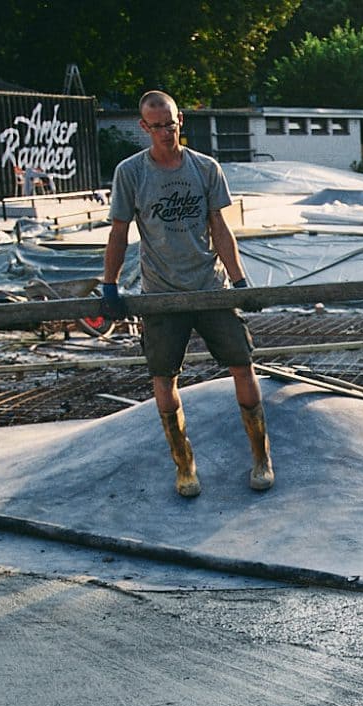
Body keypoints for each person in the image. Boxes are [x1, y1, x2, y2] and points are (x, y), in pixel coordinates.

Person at [99, 90, 272, 499]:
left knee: (242, 365)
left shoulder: (205, 168)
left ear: (181, 122)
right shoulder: (131, 173)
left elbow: (219, 228)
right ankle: (185, 466)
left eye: (170, 123)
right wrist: (109, 285)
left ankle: (261, 456)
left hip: (210, 287)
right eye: (155, 126)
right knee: (163, 378)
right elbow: (119, 232)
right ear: (144, 127)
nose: (164, 131)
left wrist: (240, 281)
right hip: (161, 292)